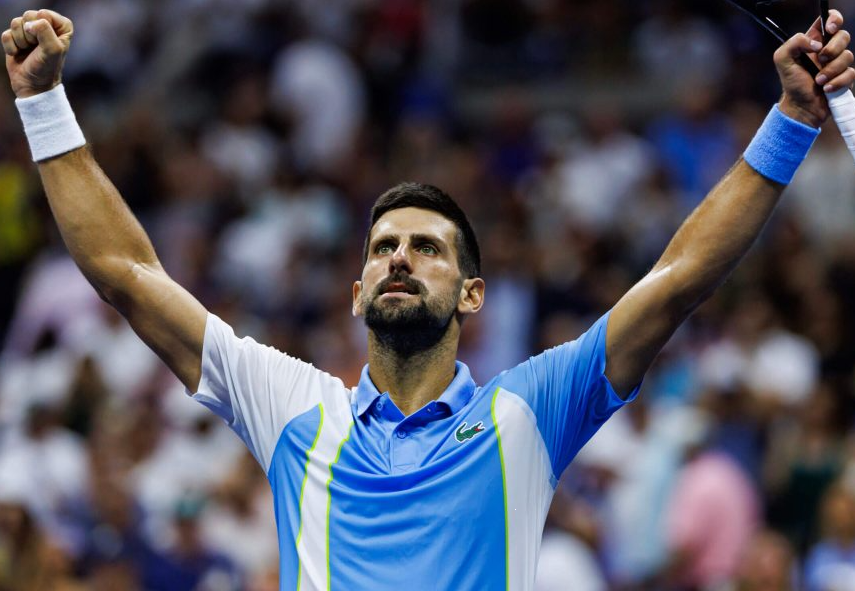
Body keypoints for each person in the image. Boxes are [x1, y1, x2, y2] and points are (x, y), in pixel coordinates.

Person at [3, 8, 854, 591]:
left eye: (427, 247)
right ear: (356, 289)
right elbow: (126, 272)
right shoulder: (295, 407)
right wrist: (43, 102)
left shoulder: (529, 412)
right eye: (381, 248)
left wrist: (788, 116)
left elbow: (677, 281)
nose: (399, 259)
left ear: (473, 292)